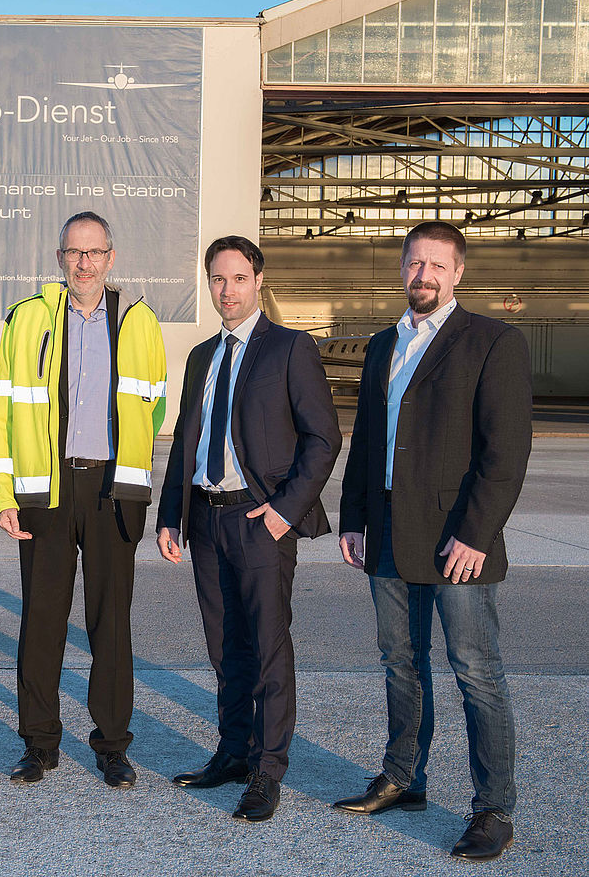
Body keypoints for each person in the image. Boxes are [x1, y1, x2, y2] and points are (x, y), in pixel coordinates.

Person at [333, 221, 531, 862]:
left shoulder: (493, 341)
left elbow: (505, 452)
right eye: (416, 263)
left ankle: (493, 809)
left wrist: (477, 533)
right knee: (401, 661)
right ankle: (402, 779)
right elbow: (366, 440)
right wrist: (354, 517)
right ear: (401, 267)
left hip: (456, 538)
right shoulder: (381, 345)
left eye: (438, 265)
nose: (425, 275)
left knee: (476, 672)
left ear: (458, 273)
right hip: (388, 529)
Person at [156, 235, 340, 821]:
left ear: (258, 280)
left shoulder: (290, 349)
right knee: (222, 646)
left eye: (237, 278)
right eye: (216, 279)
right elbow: (187, 439)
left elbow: (323, 437)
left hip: (261, 520)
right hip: (207, 518)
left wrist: (286, 509)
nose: (226, 290)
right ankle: (233, 751)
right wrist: (171, 514)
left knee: (266, 646)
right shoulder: (200, 356)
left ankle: (268, 769)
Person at [0, 211, 166, 788]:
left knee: (110, 624)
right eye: (74, 252)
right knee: (41, 620)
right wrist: (3, 492)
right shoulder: (28, 319)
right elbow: (0, 412)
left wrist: (131, 470)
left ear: (111, 258)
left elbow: (154, 405)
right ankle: (39, 743)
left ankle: (112, 744)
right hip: (48, 489)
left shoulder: (140, 322)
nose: (84, 263)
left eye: (94, 253)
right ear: (60, 258)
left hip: (114, 491)